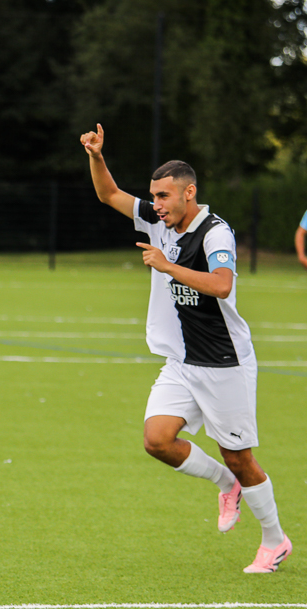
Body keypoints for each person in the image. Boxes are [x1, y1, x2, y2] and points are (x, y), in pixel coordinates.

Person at [81, 124, 291, 574]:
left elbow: (221, 285)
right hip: (182, 361)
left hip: (223, 361)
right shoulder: (159, 222)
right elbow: (109, 195)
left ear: (188, 193)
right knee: (157, 440)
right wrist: (97, 156)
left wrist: (167, 265)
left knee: (241, 456)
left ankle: (275, 541)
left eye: (163, 196)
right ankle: (226, 482)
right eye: (153, 197)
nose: (154, 205)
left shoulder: (215, 233)